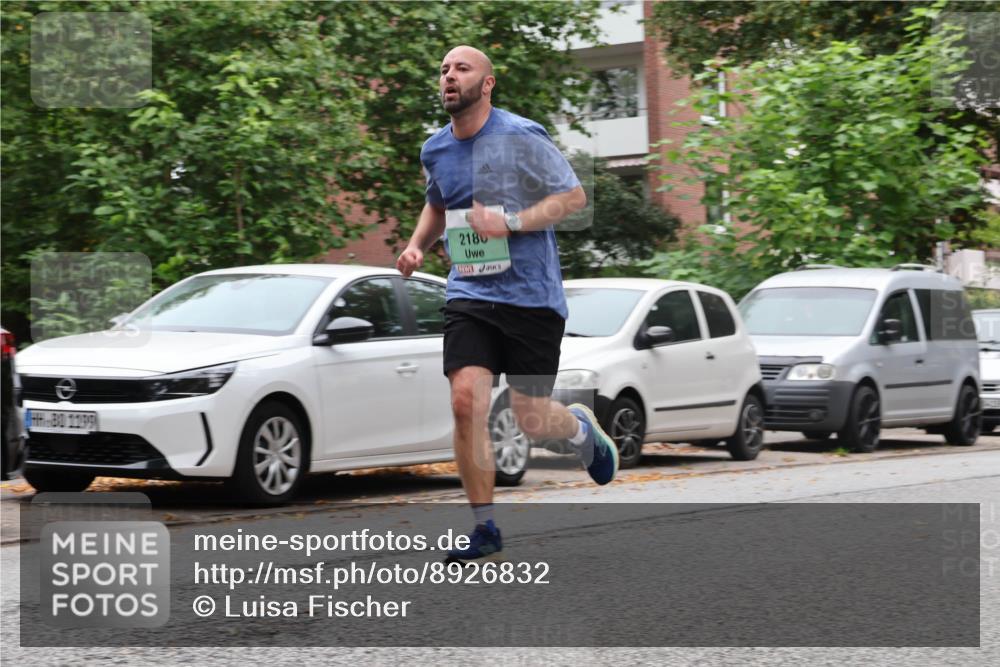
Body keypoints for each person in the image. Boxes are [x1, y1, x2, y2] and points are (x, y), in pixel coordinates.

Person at [396, 45, 618, 564]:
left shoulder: (521, 135)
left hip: (532, 297)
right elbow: (437, 201)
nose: (450, 75)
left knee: (531, 418)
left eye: (462, 68)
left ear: (487, 83)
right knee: (465, 401)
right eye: (444, 69)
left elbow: (574, 198)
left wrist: (510, 223)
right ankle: (484, 527)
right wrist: (416, 245)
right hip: (470, 293)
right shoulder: (436, 148)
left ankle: (584, 431)